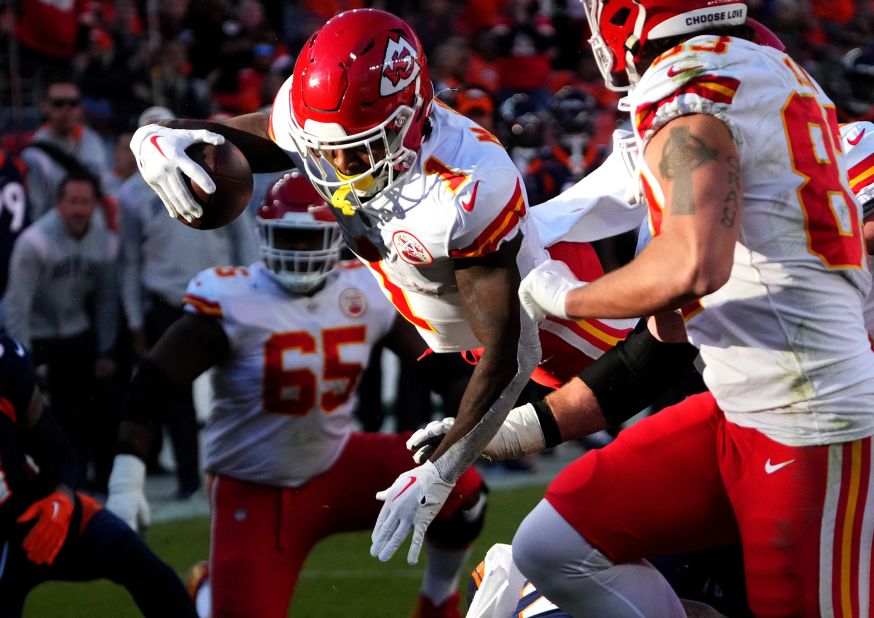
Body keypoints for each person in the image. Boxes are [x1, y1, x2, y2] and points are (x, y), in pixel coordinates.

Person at [127, 8, 635, 567]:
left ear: (411, 116)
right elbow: (230, 137)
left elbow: (514, 353)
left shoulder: (466, 188)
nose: (338, 167)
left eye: (360, 148)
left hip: (569, 335)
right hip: (448, 329)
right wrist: (153, 138)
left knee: (602, 520)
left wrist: (443, 471)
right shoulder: (323, 123)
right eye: (324, 149)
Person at [507, 1, 874, 615]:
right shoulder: (767, 68)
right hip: (740, 410)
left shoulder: (687, 88)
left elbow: (692, 267)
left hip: (813, 421)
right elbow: (664, 335)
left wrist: (565, 296)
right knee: (553, 547)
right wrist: (511, 430)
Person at [106, 172, 487, 618]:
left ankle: (438, 602)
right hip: (256, 488)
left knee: (462, 490)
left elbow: (440, 367)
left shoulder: (364, 288)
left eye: (310, 239)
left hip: (336, 463)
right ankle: (209, 592)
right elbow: (154, 383)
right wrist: (126, 479)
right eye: (287, 237)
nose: (299, 251)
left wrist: (488, 421)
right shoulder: (235, 299)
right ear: (264, 234)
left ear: (337, 237)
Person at [0, 334, 197, 618]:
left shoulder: (6, 363)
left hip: (36, 515)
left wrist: (61, 498)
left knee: (139, 562)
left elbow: (57, 450)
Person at [118, 106, 260, 498]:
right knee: (174, 395)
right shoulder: (130, 194)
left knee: (237, 384)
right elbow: (129, 260)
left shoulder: (214, 171)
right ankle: (186, 480)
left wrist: (253, 286)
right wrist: (133, 318)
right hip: (167, 297)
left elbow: (241, 236)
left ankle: (241, 470)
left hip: (220, 295)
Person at [4, 172, 119, 491]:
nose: (79, 210)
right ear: (59, 203)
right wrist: (23, 359)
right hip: (37, 334)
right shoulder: (35, 241)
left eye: (85, 202)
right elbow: (16, 306)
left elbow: (108, 302)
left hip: (76, 331)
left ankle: (84, 480)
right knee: (34, 412)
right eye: (72, 202)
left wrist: (106, 350)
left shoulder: (106, 242)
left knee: (85, 410)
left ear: (96, 204)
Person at [20, 80, 112, 223]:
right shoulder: (34, 155)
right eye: (58, 103)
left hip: (94, 232)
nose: (66, 109)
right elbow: (36, 212)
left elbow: (106, 189)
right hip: (56, 236)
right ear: (45, 107)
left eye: (73, 103)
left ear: (80, 107)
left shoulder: (93, 140)